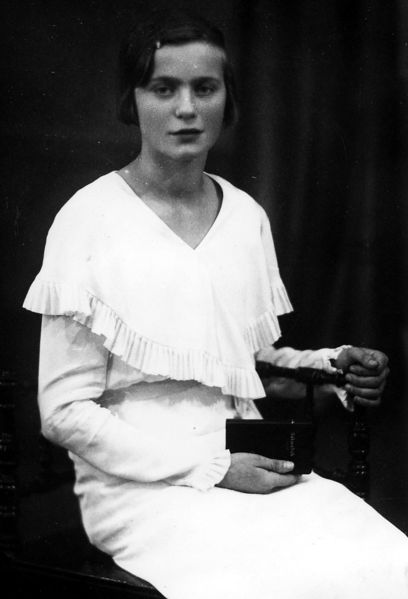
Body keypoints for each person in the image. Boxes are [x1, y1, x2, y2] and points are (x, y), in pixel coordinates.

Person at [23, 10, 408, 599]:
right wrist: (212, 468)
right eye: (163, 88)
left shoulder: (246, 218)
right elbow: (64, 411)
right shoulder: (87, 219)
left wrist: (331, 365)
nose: (186, 108)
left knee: (386, 562)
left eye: (204, 88)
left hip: (250, 463)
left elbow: (245, 367)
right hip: (139, 489)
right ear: (132, 101)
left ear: (227, 101)